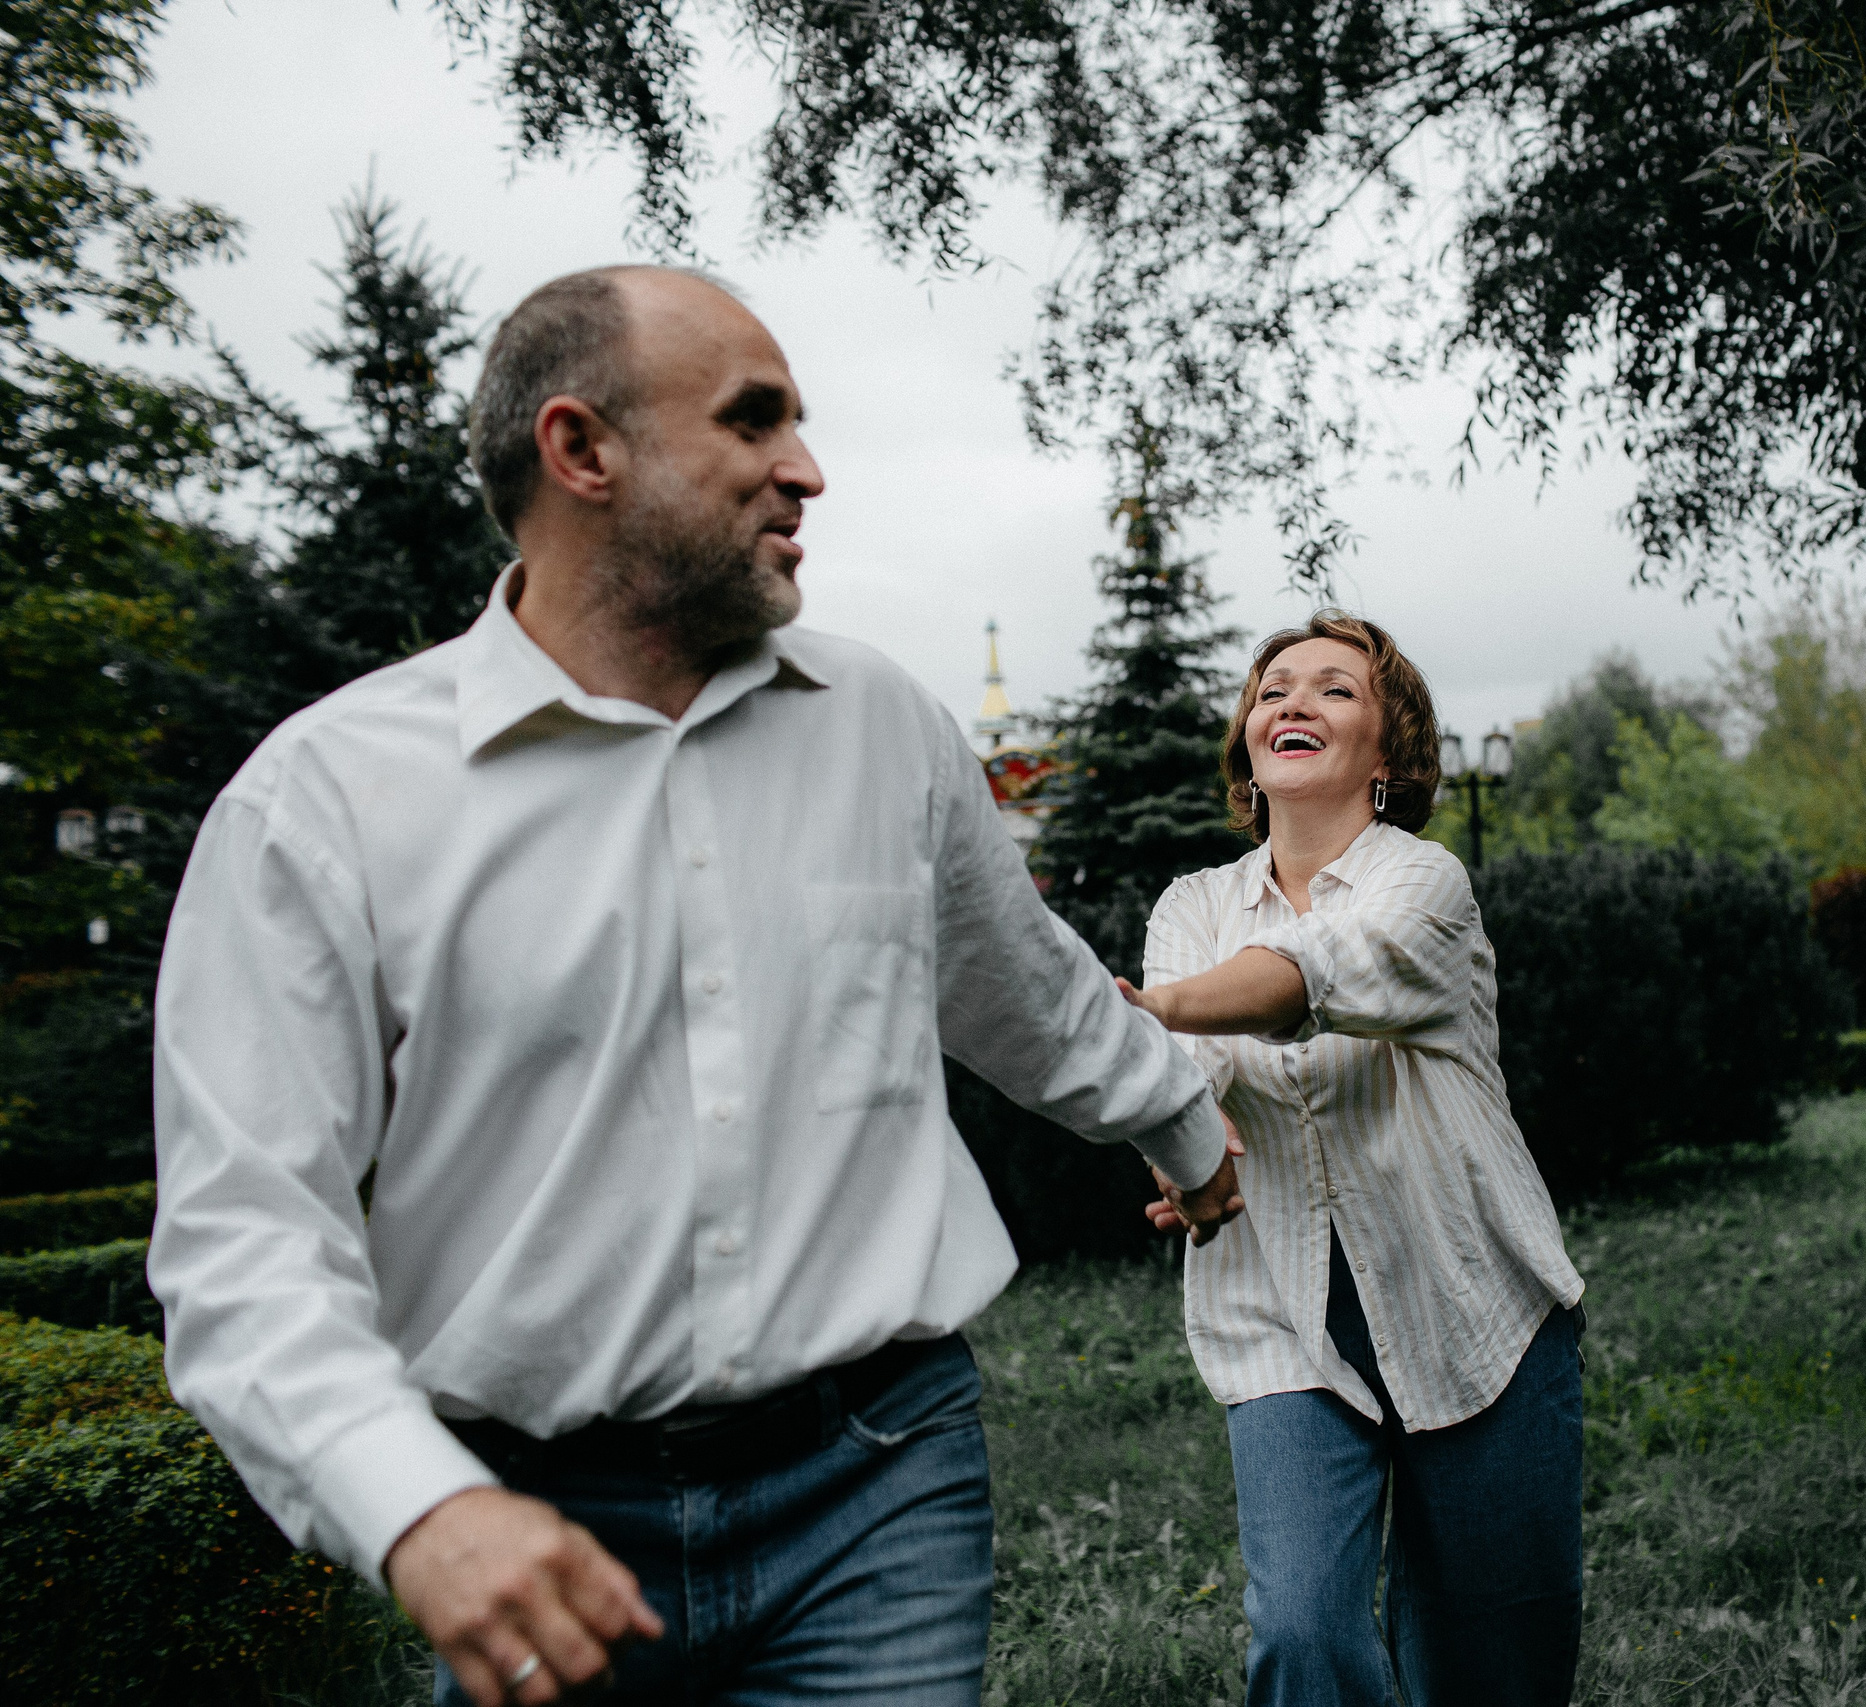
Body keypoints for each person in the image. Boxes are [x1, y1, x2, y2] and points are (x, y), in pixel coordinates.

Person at [147, 265, 1244, 1707]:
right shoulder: (324, 801)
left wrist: (1192, 1130)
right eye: (753, 421)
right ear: (580, 450)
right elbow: (245, 1238)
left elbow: (1025, 995)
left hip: (879, 1482)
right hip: (533, 1517)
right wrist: (417, 1504)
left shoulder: (884, 727)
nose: (808, 469)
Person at [1117, 613, 1588, 1707]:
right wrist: (1185, 1157)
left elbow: (1314, 971)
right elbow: (1185, 1079)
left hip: (1478, 1309)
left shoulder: (1427, 886)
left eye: (1334, 690)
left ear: (1388, 752)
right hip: (1279, 1317)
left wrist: (1146, 1010)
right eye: (1273, 689)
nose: (1292, 703)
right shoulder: (1191, 907)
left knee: (1491, 1669)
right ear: (1247, 741)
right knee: (1301, 1634)